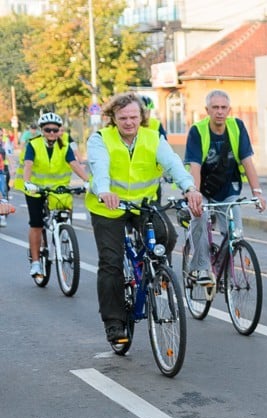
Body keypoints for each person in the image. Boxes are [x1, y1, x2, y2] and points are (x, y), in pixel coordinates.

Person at [86, 92, 203, 344]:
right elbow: (100, 167)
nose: (128, 122)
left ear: (142, 117)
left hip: (143, 205)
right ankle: (114, 323)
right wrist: (104, 190)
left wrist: (190, 188)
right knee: (111, 263)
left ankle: (148, 273)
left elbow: (173, 165)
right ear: (113, 119)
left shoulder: (153, 138)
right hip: (109, 207)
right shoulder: (100, 139)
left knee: (167, 236)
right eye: (123, 117)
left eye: (133, 117)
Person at [184, 89, 266, 286]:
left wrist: (257, 193)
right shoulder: (198, 130)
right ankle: (202, 267)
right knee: (199, 216)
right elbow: (194, 166)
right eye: (215, 108)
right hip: (200, 186)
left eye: (223, 107)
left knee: (236, 232)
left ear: (229, 109)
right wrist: (194, 195)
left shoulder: (237, 127)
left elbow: (247, 161)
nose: (219, 111)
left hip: (228, 187)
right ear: (207, 110)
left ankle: (220, 266)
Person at [20, 113, 88, 278]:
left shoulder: (64, 146)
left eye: (55, 130)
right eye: (48, 129)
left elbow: (74, 164)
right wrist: (28, 182)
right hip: (35, 189)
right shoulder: (33, 145)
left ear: (59, 131)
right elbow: (28, 165)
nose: (51, 133)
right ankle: (36, 262)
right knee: (36, 224)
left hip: (58, 189)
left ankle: (63, 236)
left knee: (64, 213)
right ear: (42, 130)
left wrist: (88, 181)